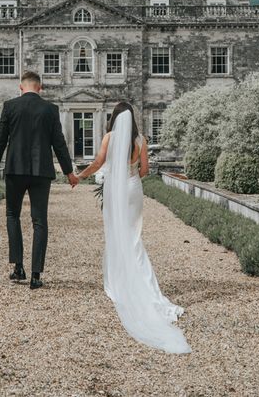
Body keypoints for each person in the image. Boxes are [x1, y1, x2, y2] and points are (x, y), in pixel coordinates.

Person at [77, 102, 191, 354]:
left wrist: (79, 177)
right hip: (133, 189)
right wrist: (129, 180)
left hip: (116, 189)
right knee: (134, 237)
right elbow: (145, 170)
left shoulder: (109, 137)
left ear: (115, 119)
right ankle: (142, 285)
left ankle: (120, 283)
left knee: (116, 235)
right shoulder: (140, 139)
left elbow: (97, 164)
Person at [0, 70, 78, 289]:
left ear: (20, 87)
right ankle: (36, 275)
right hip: (41, 172)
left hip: (15, 170)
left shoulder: (10, 106)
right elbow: (59, 143)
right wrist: (69, 172)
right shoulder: (50, 109)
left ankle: (18, 267)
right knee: (40, 221)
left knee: (12, 215)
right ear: (40, 87)